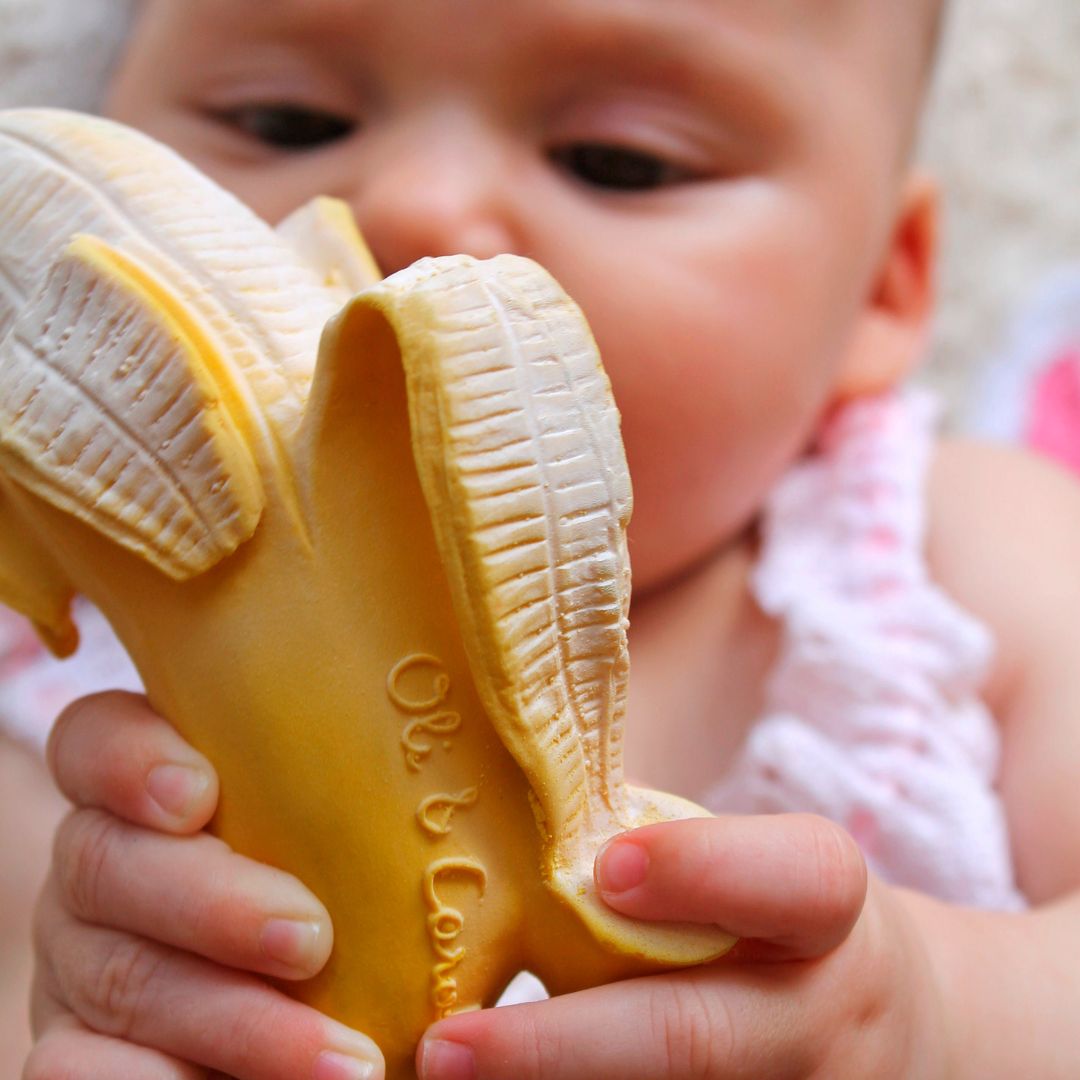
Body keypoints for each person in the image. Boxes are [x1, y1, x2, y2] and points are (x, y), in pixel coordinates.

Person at [17, 0, 1080, 1077]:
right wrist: (90, 1005)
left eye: (616, 159)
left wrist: (937, 1015)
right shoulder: (74, 719)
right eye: (286, 120)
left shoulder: (969, 556)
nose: (414, 205)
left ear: (881, 292)